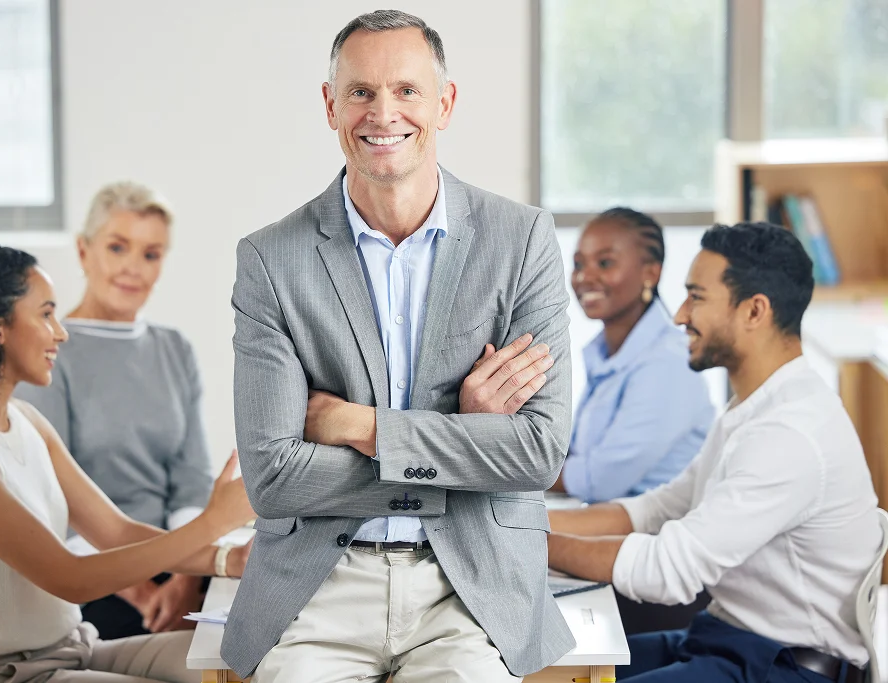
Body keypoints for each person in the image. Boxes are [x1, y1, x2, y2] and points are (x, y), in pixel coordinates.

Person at [223, 10, 574, 682]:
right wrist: (462, 440)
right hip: (319, 587)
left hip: (468, 586)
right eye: (360, 92)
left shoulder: (521, 239)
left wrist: (361, 427)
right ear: (331, 105)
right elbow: (271, 478)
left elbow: (536, 450)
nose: (383, 112)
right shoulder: (270, 259)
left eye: (407, 90)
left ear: (444, 102)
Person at [0, 245, 255, 683]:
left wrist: (228, 558)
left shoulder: (28, 421)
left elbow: (116, 531)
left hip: (76, 649)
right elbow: (70, 578)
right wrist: (212, 522)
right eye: (46, 314)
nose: (60, 332)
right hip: (4, 673)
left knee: (239, 653)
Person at [547, 223, 881, 683]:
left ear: (754, 311)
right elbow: (658, 510)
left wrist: (533, 545)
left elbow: (668, 569)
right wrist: (527, 525)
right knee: (545, 665)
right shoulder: (752, 408)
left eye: (696, 297)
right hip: (724, 638)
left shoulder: (790, 432)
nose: (680, 314)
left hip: (784, 668)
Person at [17, 181, 249, 640]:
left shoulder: (173, 349)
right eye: (118, 247)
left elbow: (190, 480)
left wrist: (185, 578)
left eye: (150, 253)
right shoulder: (50, 351)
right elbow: (52, 504)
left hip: (179, 559)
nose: (132, 268)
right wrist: (145, 593)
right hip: (95, 573)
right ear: (84, 252)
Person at [556, 207, 713, 503]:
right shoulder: (605, 355)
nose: (584, 277)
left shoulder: (668, 362)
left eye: (604, 263)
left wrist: (516, 467)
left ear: (650, 273)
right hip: (610, 526)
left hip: (658, 538)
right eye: (578, 264)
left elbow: (598, 480)